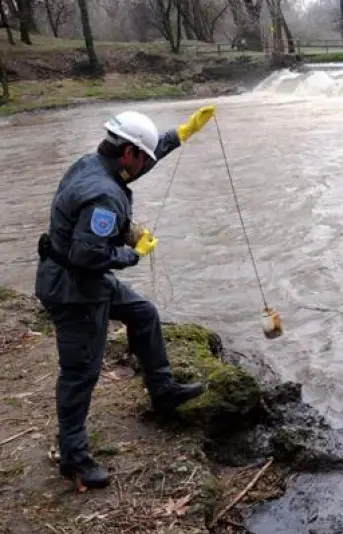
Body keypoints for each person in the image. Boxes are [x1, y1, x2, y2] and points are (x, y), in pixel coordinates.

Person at [35, 106, 217, 491]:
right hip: (74, 290)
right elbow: (88, 255)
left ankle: (163, 392)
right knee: (80, 373)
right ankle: (74, 458)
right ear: (129, 153)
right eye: (144, 157)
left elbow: (139, 164)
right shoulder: (104, 195)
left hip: (84, 278)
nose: (146, 165)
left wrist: (181, 133)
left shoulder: (94, 163)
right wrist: (133, 252)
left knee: (143, 313)